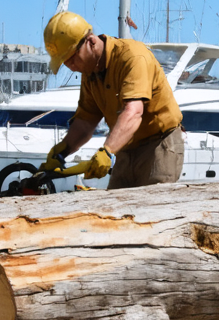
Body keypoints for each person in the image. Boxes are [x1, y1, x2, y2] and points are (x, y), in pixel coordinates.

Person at [41, 11, 185, 189]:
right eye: (65, 62)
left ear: (91, 41)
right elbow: (86, 121)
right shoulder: (89, 71)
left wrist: (107, 152)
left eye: (72, 58)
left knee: (153, 208)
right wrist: (62, 151)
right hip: (125, 147)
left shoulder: (132, 56)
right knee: (115, 211)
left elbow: (134, 112)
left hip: (159, 144)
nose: (71, 66)